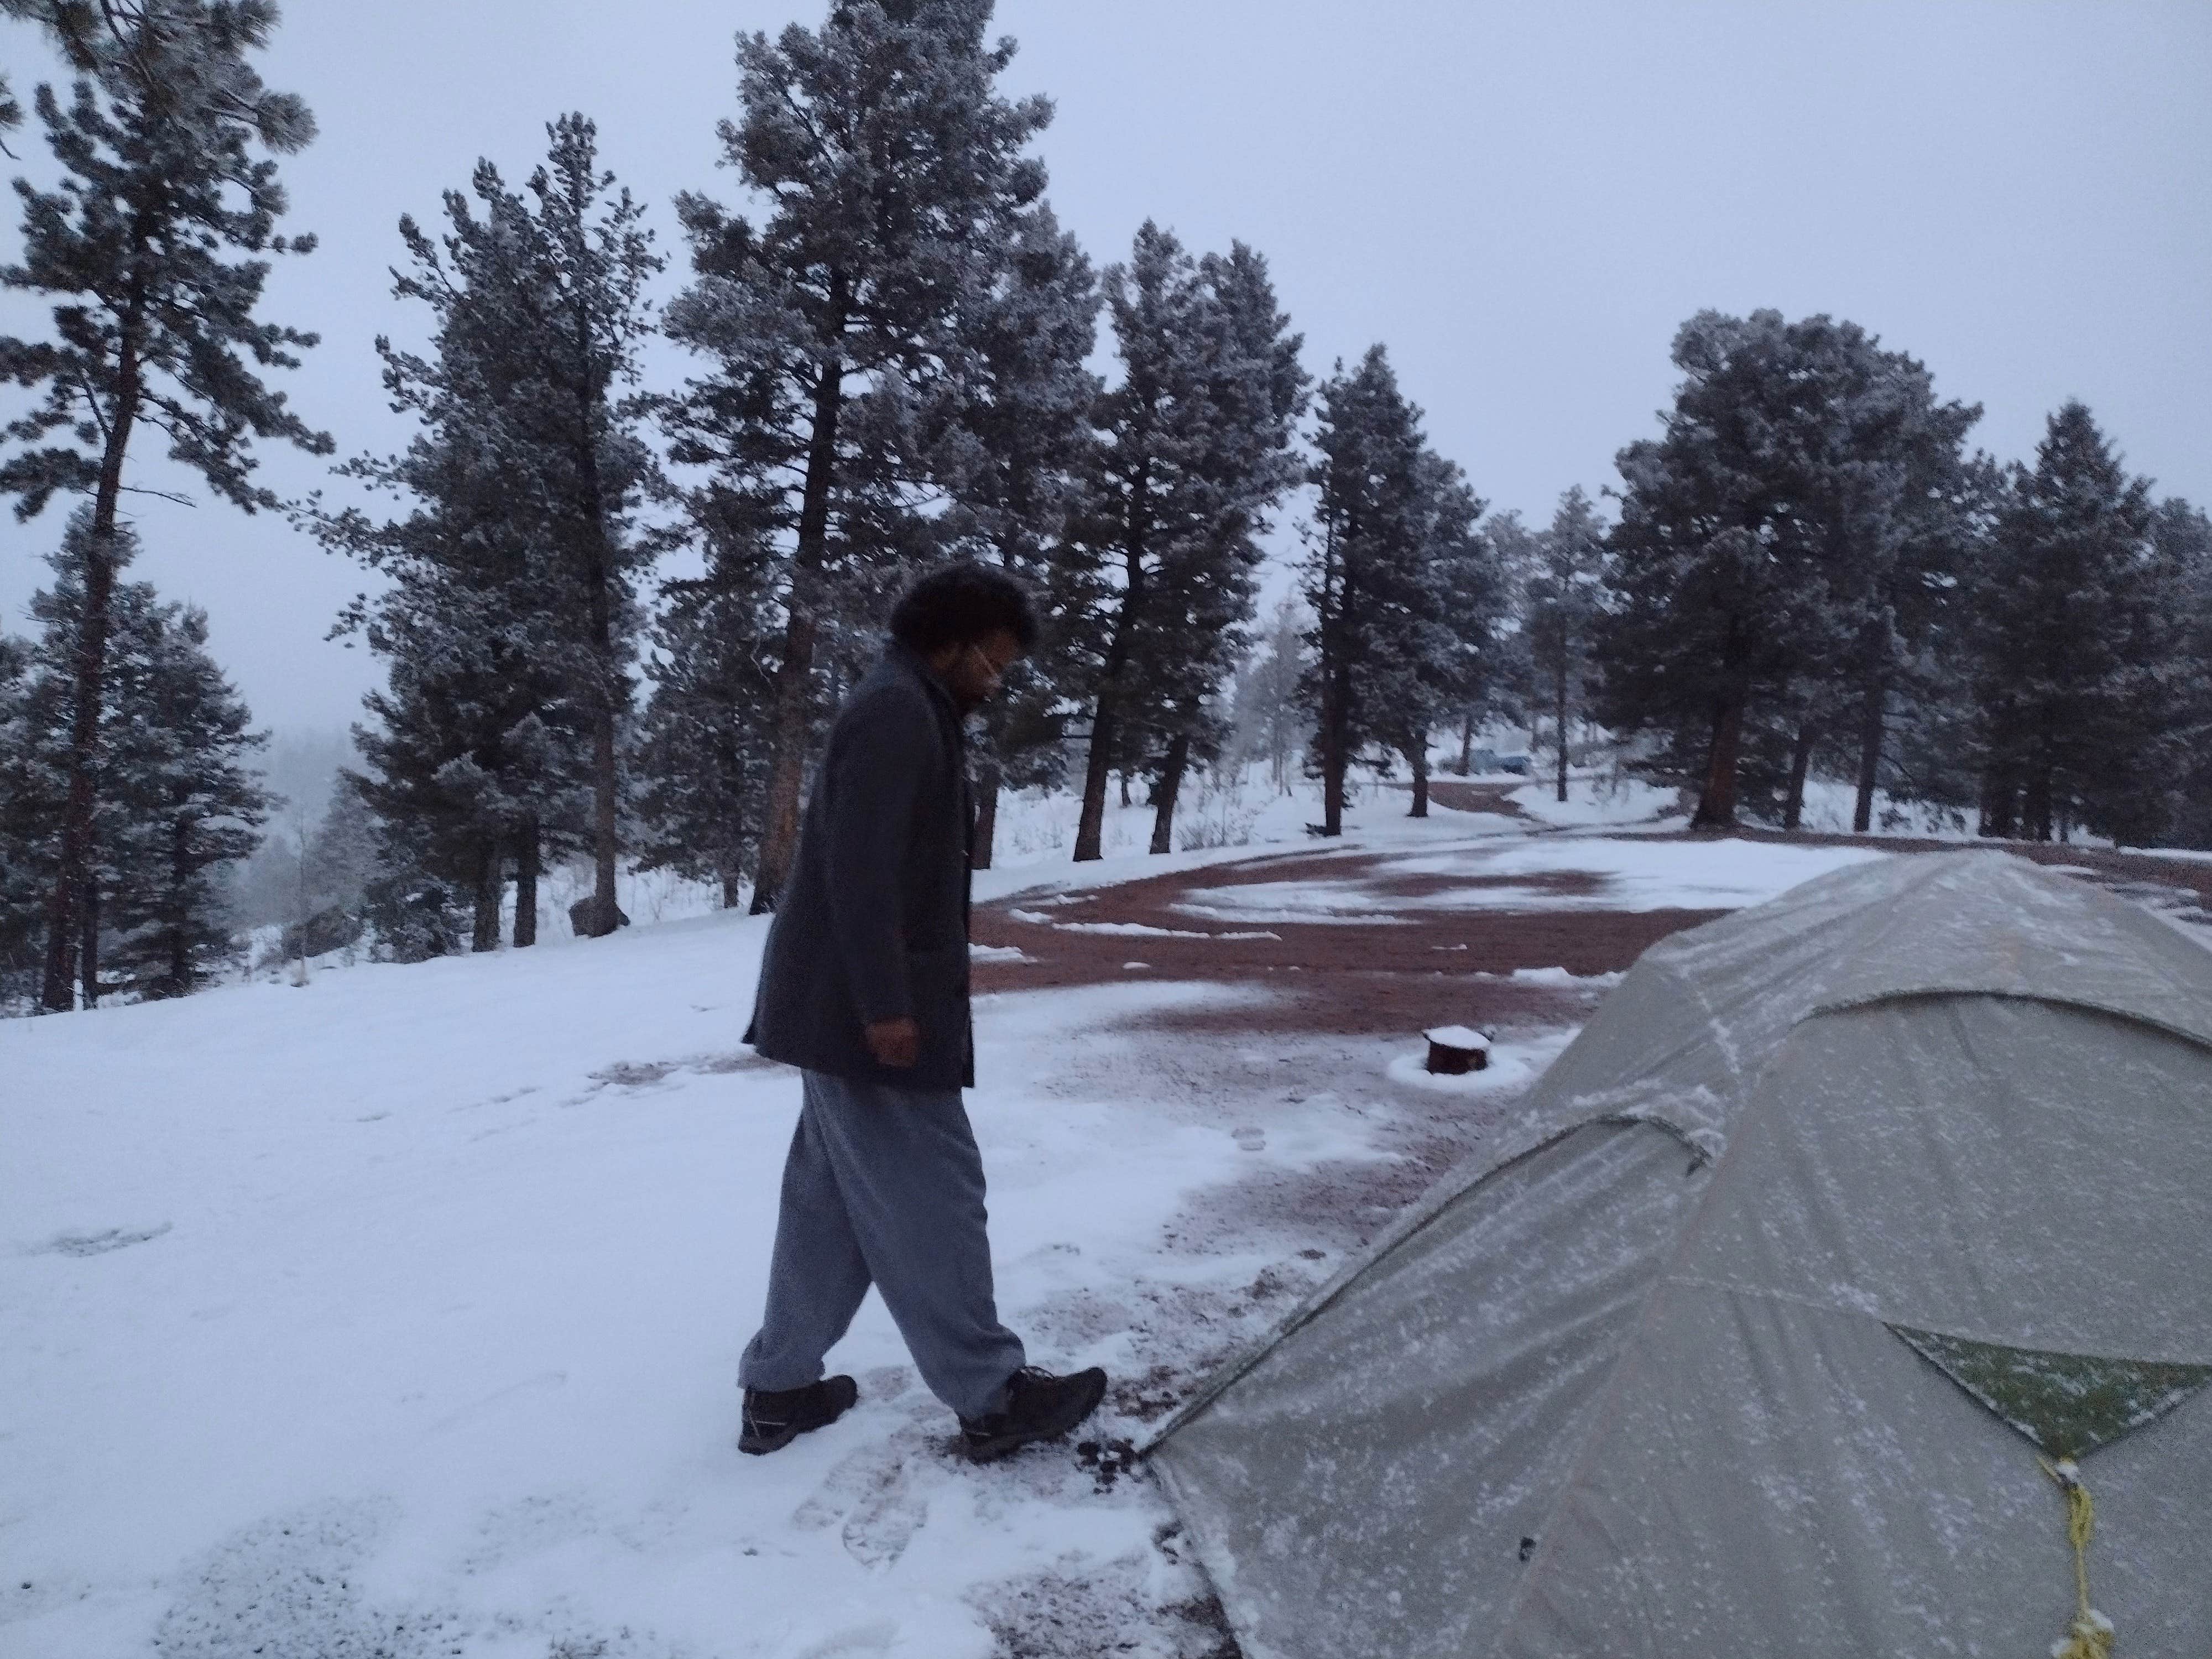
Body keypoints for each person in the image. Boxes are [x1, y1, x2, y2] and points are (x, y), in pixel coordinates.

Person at [735, 562, 1109, 1462]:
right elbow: (858, 872)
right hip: (867, 1013)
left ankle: (779, 1391)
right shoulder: (897, 712)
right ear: (950, 642)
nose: (997, 680)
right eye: (993, 661)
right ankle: (992, 1397)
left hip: (843, 1006)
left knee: (830, 1206)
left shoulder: (911, 704)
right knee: (936, 1195)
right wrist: (886, 1009)